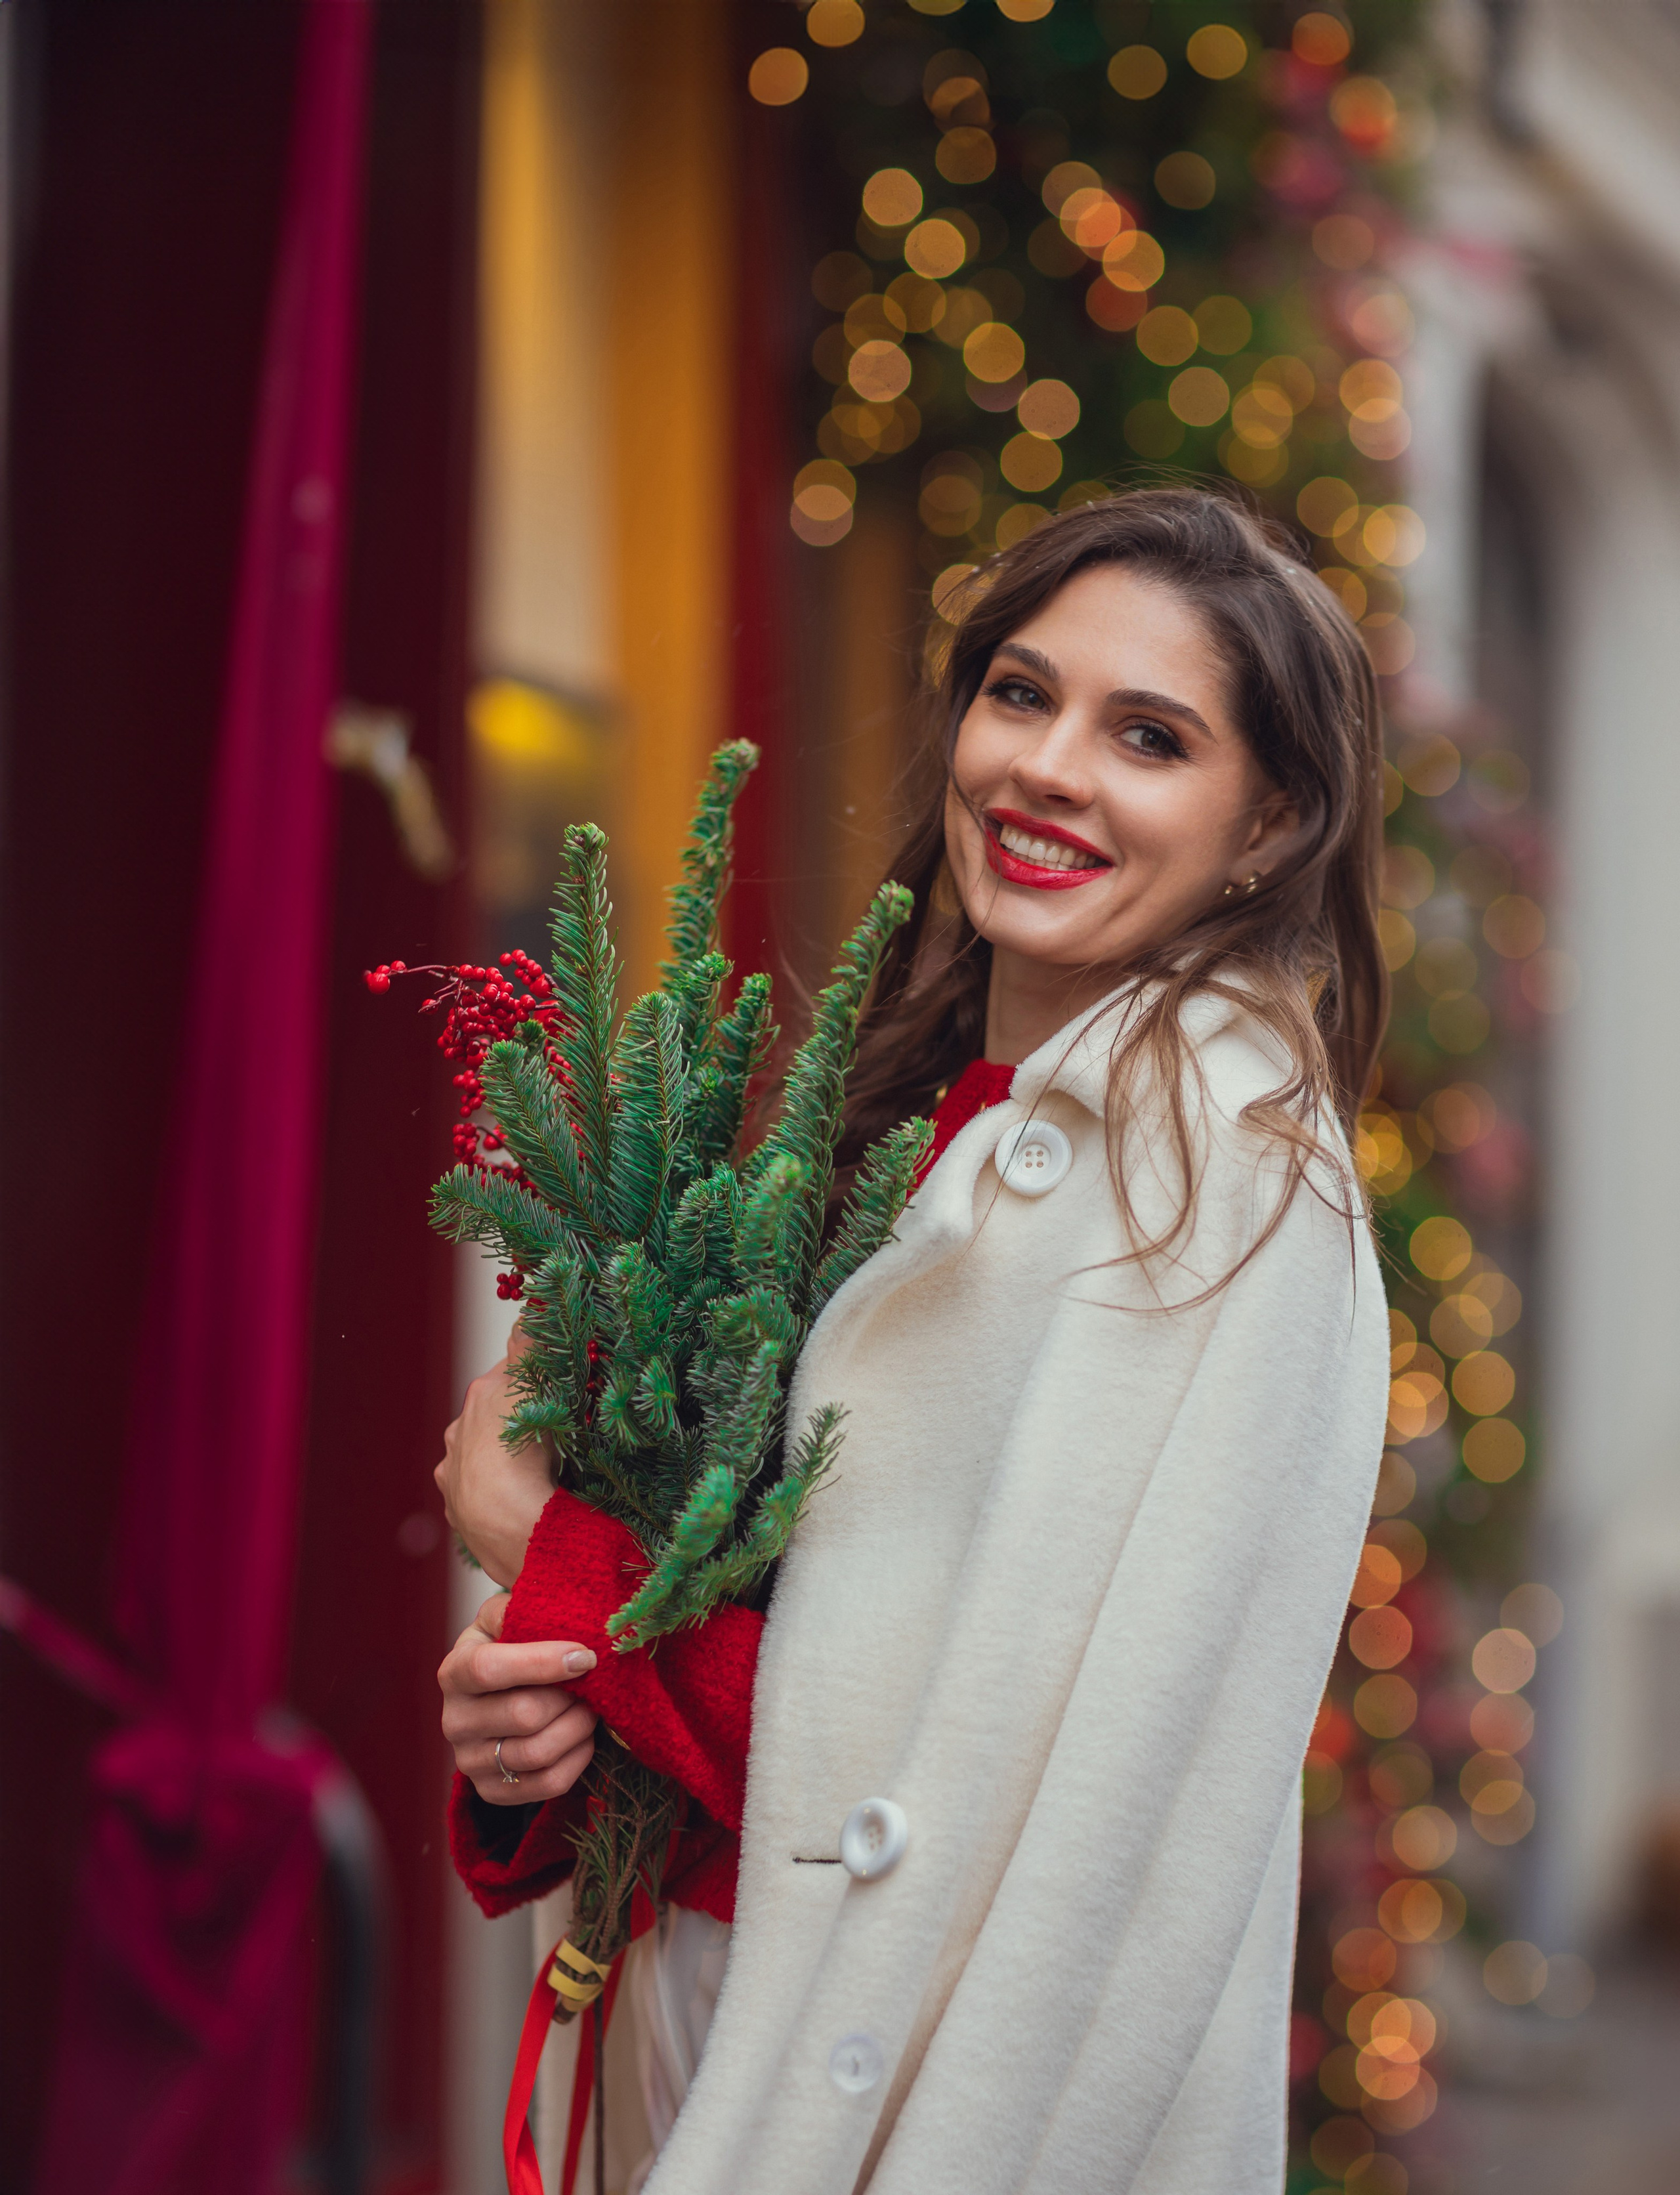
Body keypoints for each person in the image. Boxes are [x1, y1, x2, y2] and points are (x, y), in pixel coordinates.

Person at [435, 486, 1392, 2194]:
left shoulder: (1223, 1195)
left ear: (1268, 827)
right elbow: (816, 1635)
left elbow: (1011, 1811)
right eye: (1020, 694)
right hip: (729, 2036)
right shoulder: (924, 1112)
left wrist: (557, 1560)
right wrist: (544, 1728)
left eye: (1150, 737)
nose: (1045, 767)